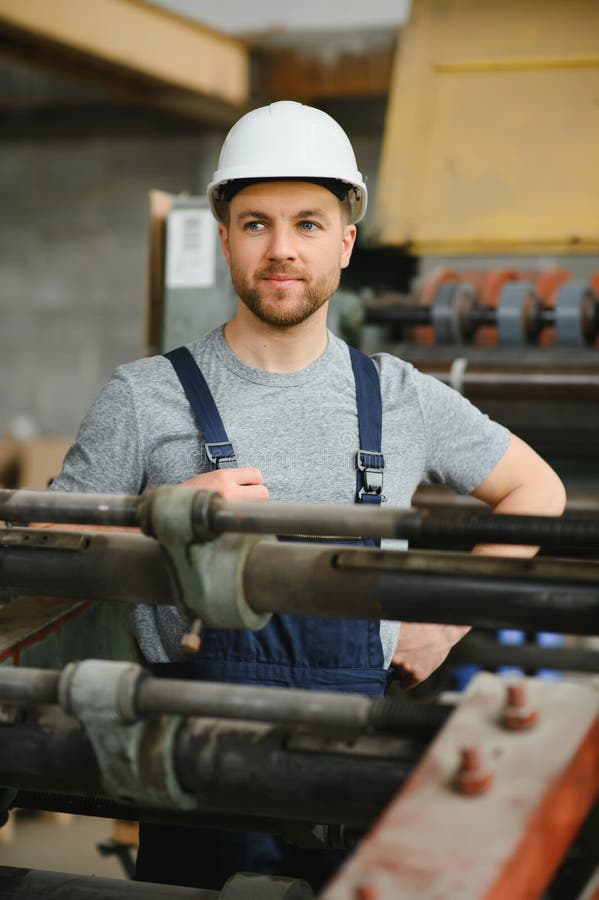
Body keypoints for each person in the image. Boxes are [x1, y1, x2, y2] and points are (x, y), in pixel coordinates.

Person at [49, 100, 565, 891]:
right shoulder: (143, 396)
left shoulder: (401, 396)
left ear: (346, 242)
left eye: (308, 224)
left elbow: (538, 487)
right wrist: (161, 519)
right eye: (255, 223)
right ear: (224, 237)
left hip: (354, 746)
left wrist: (443, 625)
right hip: (190, 758)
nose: (281, 249)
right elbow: (50, 550)